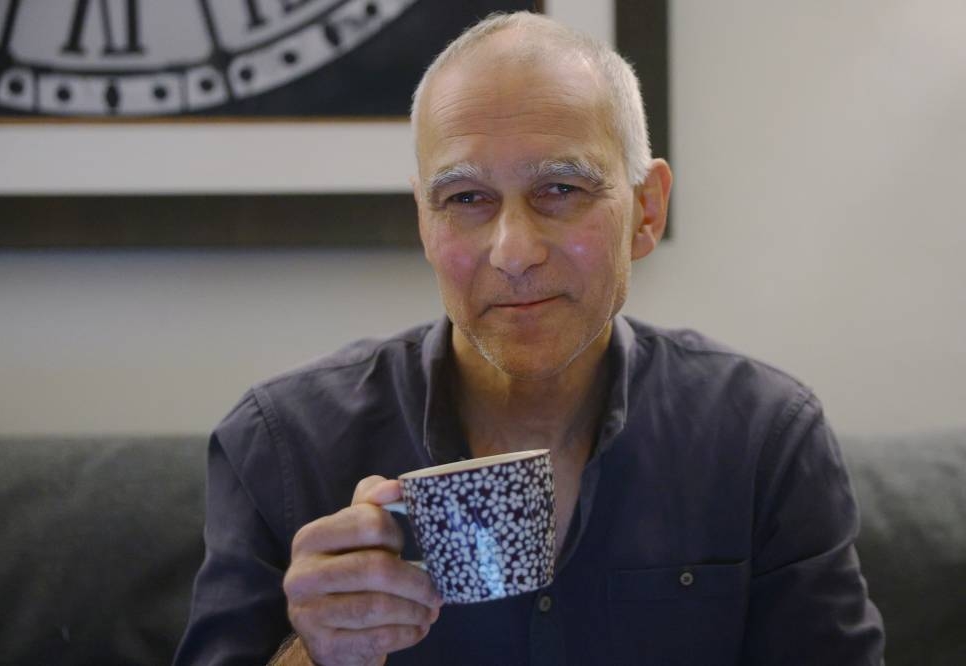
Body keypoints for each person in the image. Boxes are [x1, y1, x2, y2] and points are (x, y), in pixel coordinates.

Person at [175, 11, 884, 666]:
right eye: (465, 200)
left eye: (561, 190)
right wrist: (318, 652)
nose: (513, 251)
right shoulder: (282, 444)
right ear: (424, 223)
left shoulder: (763, 439)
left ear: (646, 209)